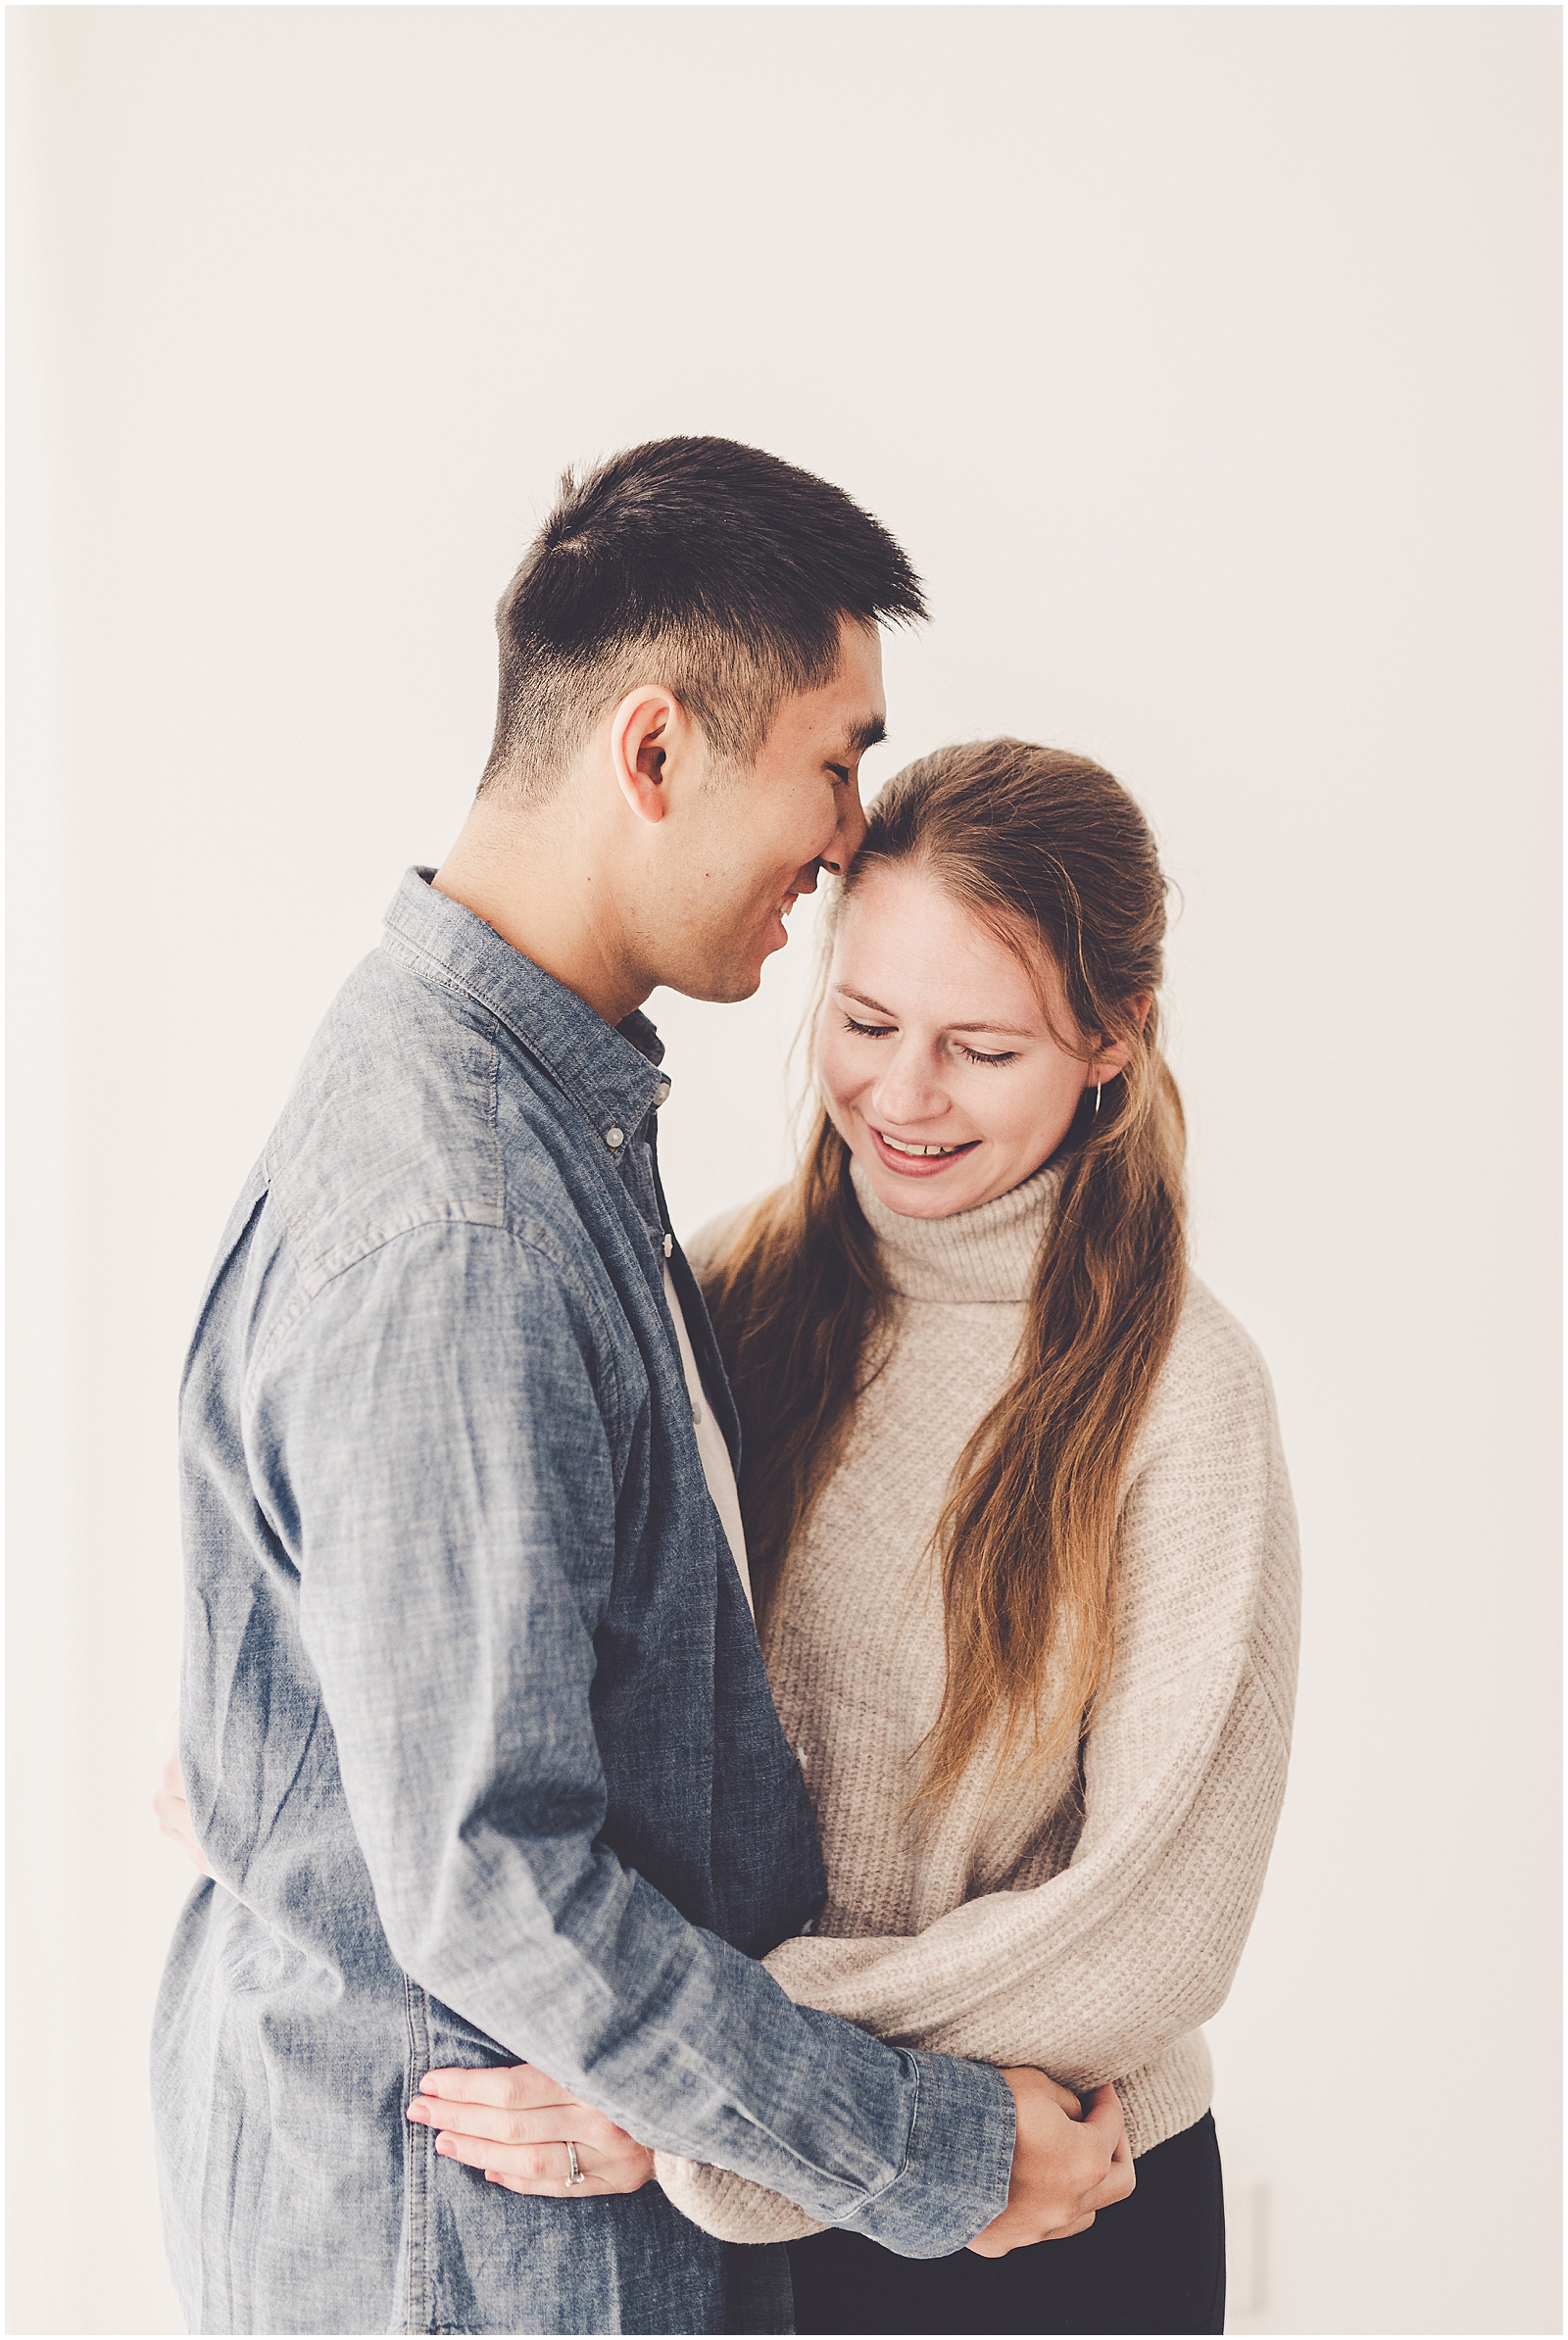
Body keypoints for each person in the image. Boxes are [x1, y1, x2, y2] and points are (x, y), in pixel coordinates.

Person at [153, 443, 1135, 2338]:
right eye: (838, 760)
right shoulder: (465, 1220)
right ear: (659, 753)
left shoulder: (526, 1111)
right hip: (473, 2259)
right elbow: (494, 1887)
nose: (855, 836)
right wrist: (935, 2151)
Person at [408, 739, 1300, 2336]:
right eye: (868, 1021)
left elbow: (1153, 1933)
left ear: (1112, 1042)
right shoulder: (729, 1288)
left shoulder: (1186, 1399)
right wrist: (714, 2085)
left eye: (981, 1048)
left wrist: (697, 2074)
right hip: (762, 2203)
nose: (901, 1094)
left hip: (1049, 2212)